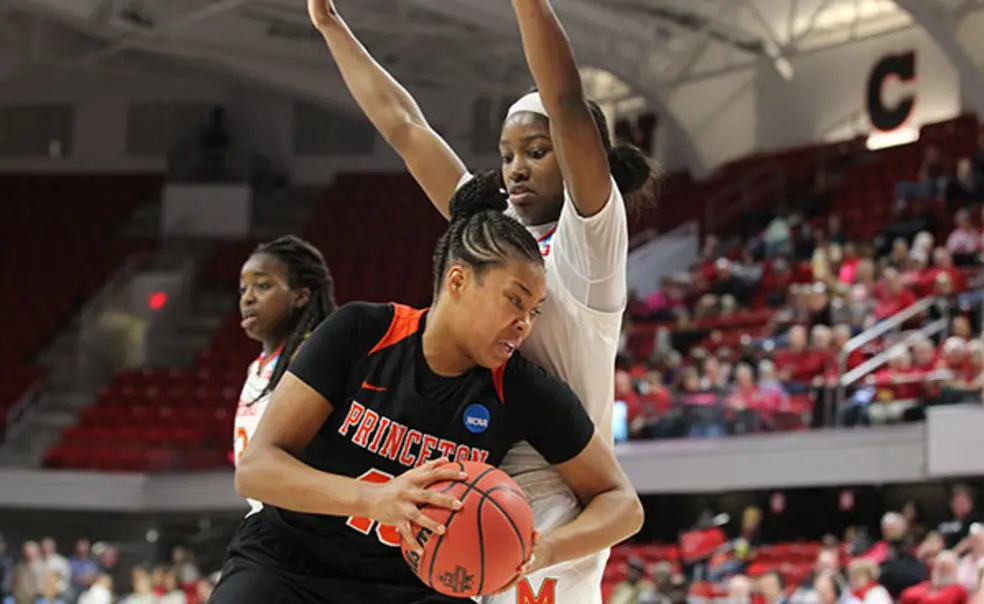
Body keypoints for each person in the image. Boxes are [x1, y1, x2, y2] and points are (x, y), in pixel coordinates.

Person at [307, 0, 658, 601]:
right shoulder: (496, 234)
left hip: (560, 488)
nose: (516, 168)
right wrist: (331, 27)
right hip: (475, 466)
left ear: (578, 155)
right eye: (507, 154)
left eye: (537, 151)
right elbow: (406, 128)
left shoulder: (589, 243)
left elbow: (567, 98)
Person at [208, 179, 643, 604]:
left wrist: (543, 549)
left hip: (412, 585)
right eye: (515, 300)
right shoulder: (360, 332)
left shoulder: (522, 389)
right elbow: (257, 470)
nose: (525, 323)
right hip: (290, 561)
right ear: (457, 281)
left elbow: (623, 504)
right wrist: (377, 500)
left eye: (534, 311)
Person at [232, 235, 338, 516]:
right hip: (265, 514)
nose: (248, 298)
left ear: (300, 296)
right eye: (243, 289)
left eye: (263, 286)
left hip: (301, 518)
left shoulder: (311, 355)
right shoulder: (258, 366)